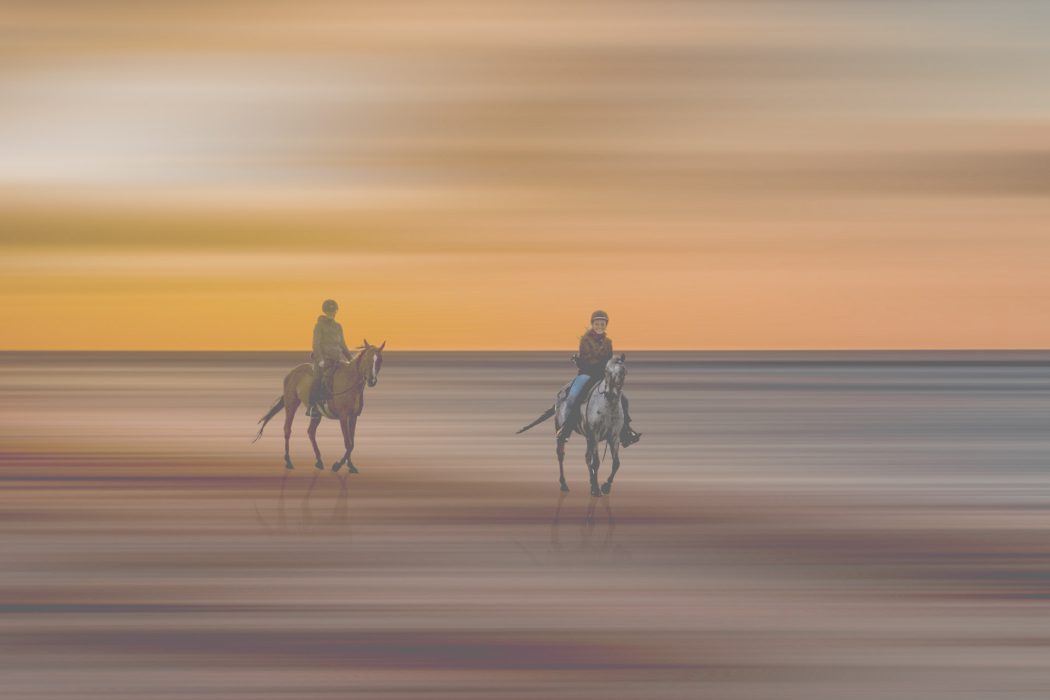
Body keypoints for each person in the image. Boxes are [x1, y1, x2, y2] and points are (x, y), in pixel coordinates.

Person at [558, 310, 641, 446]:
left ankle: (625, 431)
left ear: (606, 325)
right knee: (574, 397)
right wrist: (602, 364)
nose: (599, 326)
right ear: (593, 324)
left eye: (602, 324)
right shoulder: (585, 340)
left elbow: (608, 360)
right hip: (586, 374)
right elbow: (586, 360)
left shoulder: (608, 342)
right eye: (597, 324)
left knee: (623, 399)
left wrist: (614, 364)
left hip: (603, 375)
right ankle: (566, 430)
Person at [307, 299, 354, 417]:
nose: (332, 313)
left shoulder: (338, 327)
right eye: (329, 311)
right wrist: (321, 360)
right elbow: (316, 344)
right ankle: (312, 407)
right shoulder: (319, 326)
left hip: (336, 360)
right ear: (325, 311)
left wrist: (351, 359)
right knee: (317, 379)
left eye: (333, 311)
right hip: (323, 360)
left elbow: (343, 344)